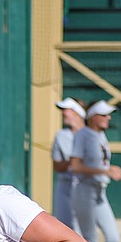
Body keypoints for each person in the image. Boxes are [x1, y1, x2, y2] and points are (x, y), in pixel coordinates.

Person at [69, 99, 121, 242]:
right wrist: (105, 171)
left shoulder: (100, 135)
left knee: (113, 239)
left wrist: (106, 171)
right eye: (104, 114)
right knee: (89, 241)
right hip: (84, 192)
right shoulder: (83, 135)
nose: (108, 118)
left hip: (99, 192)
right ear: (92, 117)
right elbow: (75, 166)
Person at [51, 97, 86, 232]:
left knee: (83, 232)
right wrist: (71, 162)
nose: (63, 113)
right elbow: (57, 166)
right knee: (64, 229)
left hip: (85, 188)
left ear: (77, 112)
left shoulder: (92, 135)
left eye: (66, 110)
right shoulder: (61, 135)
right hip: (65, 187)